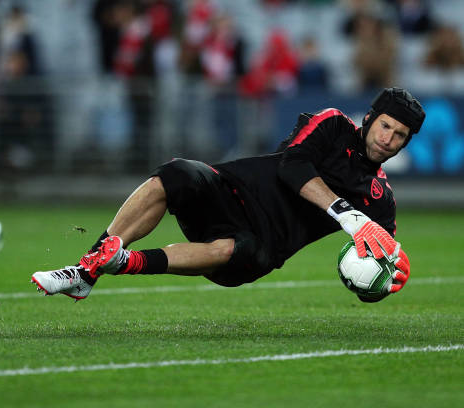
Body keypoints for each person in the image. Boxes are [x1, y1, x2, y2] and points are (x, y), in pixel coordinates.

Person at [31, 87, 425, 303]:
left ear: (405, 144)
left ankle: (123, 262)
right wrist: (346, 214)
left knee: (231, 249)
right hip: (230, 189)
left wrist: (387, 277)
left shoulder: (380, 199)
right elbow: (293, 166)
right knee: (175, 173)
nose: (387, 139)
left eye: (399, 136)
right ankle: (86, 272)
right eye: (385, 126)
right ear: (370, 119)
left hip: (262, 245)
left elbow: (381, 261)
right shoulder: (334, 124)